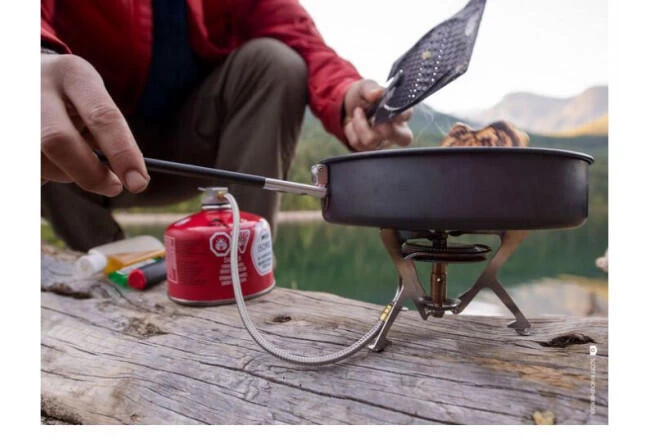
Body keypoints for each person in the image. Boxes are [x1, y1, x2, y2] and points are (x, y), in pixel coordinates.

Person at [41, 0, 413, 251]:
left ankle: (243, 261)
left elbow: (298, 36)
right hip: (90, 162)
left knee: (276, 63)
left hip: (191, 150)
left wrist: (344, 94)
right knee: (39, 109)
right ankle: (103, 262)